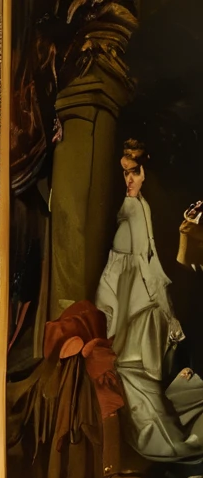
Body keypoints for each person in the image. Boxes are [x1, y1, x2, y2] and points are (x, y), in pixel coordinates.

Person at [95, 138, 203, 461]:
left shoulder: (142, 208)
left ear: (144, 174)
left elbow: (149, 265)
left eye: (134, 172)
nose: (128, 179)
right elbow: (120, 274)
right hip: (136, 313)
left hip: (147, 311)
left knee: (153, 380)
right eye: (125, 173)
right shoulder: (132, 211)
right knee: (139, 379)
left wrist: (167, 312)